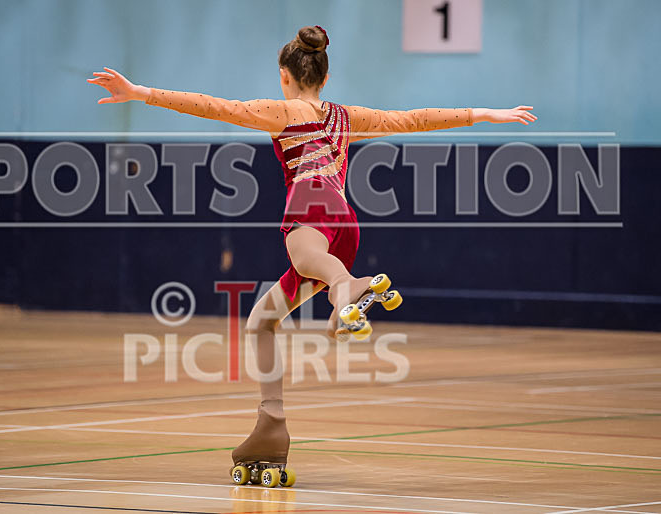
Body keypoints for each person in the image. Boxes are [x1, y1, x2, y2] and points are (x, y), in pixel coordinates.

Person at [88, 25, 536, 486]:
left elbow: (213, 106)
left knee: (307, 263)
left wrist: (139, 92)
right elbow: (412, 119)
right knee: (262, 320)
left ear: (285, 75)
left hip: (309, 206)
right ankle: (273, 420)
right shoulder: (346, 117)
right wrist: (484, 113)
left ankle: (349, 290)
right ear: (325, 73)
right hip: (343, 222)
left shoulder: (281, 110)